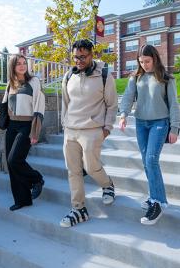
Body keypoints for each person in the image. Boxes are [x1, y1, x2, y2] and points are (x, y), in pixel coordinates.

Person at [119, 44, 180, 225]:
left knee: (151, 160)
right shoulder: (136, 78)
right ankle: (155, 197)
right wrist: (123, 115)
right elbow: (128, 97)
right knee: (146, 161)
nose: (144, 65)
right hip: (141, 124)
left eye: (147, 61)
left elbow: (174, 104)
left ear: (154, 58)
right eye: (141, 62)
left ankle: (157, 202)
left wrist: (175, 128)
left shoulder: (166, 78)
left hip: (160, 123)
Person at [60, 39, 117, 228]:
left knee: (91, 167)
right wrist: (64, 124)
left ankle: (107, 184)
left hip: (92, 130)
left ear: (92, 55)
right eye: (76, 57)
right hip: (71, 130)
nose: (78, 60)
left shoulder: (104, 75)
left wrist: (107, 127)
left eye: (83, 57)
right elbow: (65, 103)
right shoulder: (69, 76)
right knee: (73, 171)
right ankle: (79, 209)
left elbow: (111, 104)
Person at [0, 54, 45, 211]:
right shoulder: (10, 84)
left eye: (24, 63)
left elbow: (39, 107)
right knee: (10, 163)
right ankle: (23, 199)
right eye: (18, 63)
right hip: (12, 125)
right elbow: (4, 106)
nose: (22, 66)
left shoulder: (33, 81)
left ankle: (37, 179)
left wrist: (35, 131)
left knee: (15, 160)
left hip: (27, 125)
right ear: (13, 67)